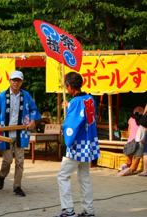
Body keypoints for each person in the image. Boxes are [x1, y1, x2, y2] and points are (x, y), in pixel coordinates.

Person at [54, 72, 100, 217]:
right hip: (88, 144)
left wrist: (66, 135)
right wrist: (69, 106)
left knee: (63, 176)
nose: (66, 89)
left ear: (69, 86)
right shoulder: (90, 99)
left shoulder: (75, 102)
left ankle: (68, 210)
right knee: (84, 176)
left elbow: (71, 125)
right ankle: (89, 210)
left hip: (77, 146)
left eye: (66, 86)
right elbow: (83, 116)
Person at [0, 70, 41, 197]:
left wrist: (33, 121)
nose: (15, 82)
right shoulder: (2, 96)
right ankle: (2, 175)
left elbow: (34, 110)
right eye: (13, 80)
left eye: (18, 80)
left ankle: (17, 186)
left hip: (21, 131)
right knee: (7, 160)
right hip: (6, 132)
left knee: (20, 161)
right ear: (10, 81)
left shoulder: (26, 96)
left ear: (22, 82)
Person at [118, 106, 145, 176]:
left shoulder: (131, 119)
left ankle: (122, 167)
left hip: (130, 142)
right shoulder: (144, 120)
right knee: (134, 166)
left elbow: (129, 132)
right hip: (140, 143)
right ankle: (126, 173)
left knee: (128, 162)